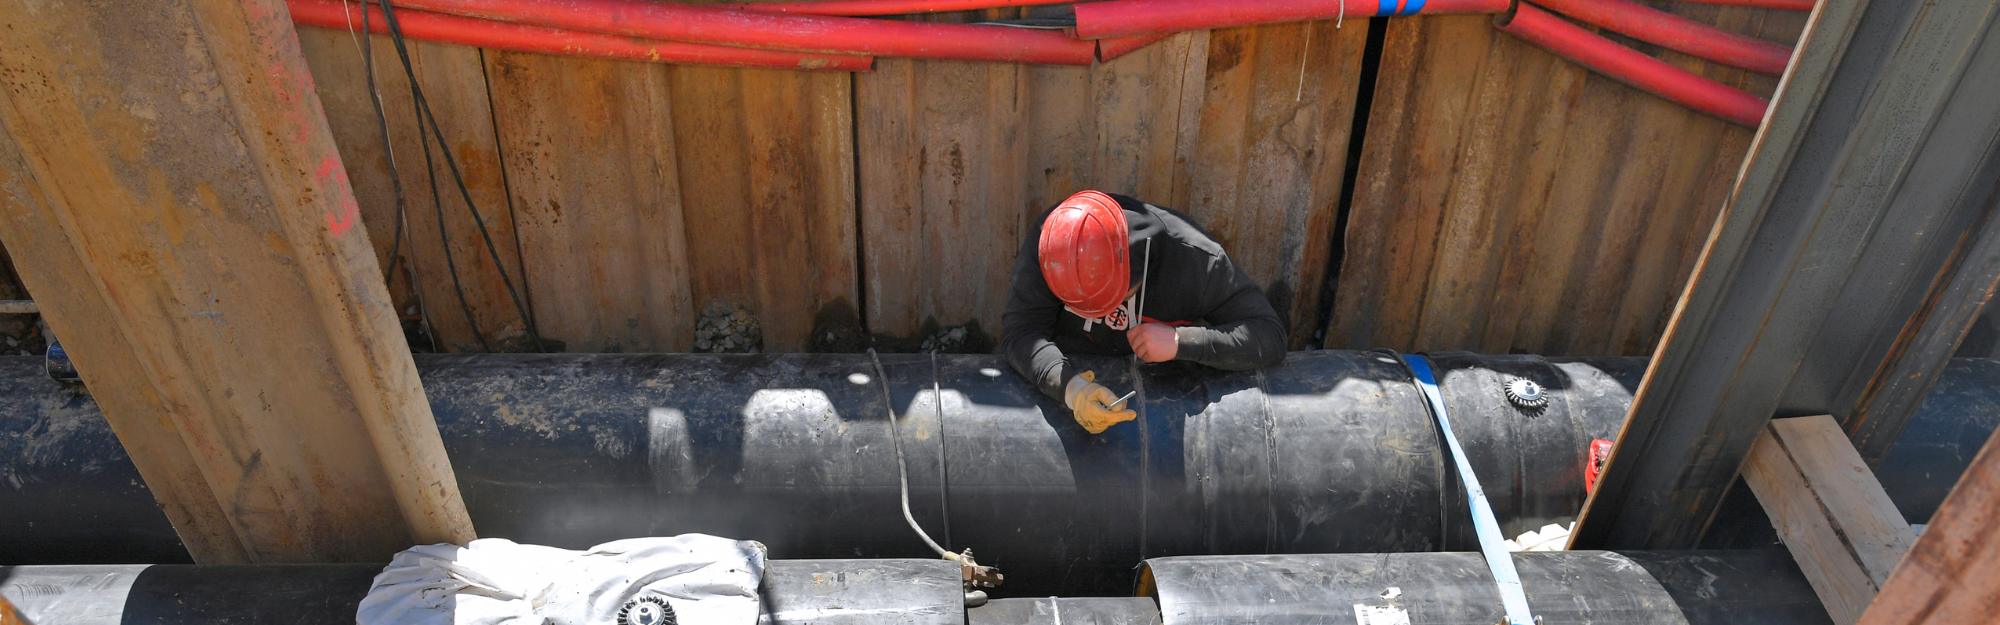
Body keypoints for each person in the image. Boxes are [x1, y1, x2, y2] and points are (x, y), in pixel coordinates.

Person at [1001, 190, 1287, 434]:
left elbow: (1269, 335)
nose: (1101, 314)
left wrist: (1180, 341)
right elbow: (1020, 332)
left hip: (1164, 400)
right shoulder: (1053, 243)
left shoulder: (1192, 258)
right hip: (1074, 377)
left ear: (1135, 270)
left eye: (1110, 299)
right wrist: (1071, 389)